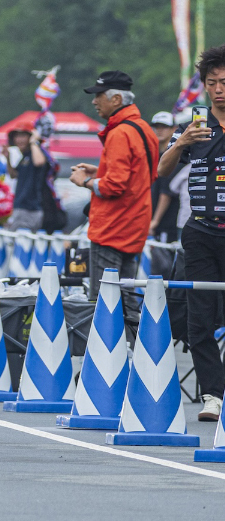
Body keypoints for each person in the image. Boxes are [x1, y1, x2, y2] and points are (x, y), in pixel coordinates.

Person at [158, 44, 225, 422]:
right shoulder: (193, 128)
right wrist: (181, 142)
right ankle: (212, 395)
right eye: (212, 83)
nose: (219, 90)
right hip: (200, 231)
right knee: (199, 318)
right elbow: (162, 171)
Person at [70, 70, 158, 335]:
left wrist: (83, 181)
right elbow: (143, 176)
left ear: (116, 98)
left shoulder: (120, 133)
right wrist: (100, 171)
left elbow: (115, 187)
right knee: (128, 297)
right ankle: (136, 354)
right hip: (134, 224)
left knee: (103, 300)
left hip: (112, 228)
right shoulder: (143, 128)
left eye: (98, 96)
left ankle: (105, 367)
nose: (95, 102)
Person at [5, 121, 48, 231]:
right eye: (17, 136)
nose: (19, 140)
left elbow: (39, 162)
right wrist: (8, 158)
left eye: (23, 136)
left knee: (19, 243)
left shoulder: (37, 153)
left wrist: (34, 142)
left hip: (31, 209)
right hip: (20, 207)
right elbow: (14, 175)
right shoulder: (24, 157)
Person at [149, 111, 182, 243]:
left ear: (174, 129)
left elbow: (166, 192)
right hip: (153, 222)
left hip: (168, 223)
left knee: (165, 262)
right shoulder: (154, 156)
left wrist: (154, 222)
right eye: (156, 127)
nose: (159, 130)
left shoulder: (176, 156)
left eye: (164, 127)